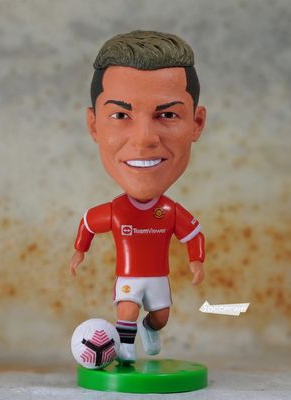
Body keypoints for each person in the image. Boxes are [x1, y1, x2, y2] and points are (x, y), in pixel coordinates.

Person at [69, 30, 207, 363]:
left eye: (168, 115)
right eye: (120, 115)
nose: (144, 139)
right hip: (129, 277)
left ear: (197, 123)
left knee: (161, 317)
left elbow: (193, 234)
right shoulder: (115, 210)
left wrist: (197, 260)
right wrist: (79, 251)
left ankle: (149, 329)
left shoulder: (170, 211)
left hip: (158, 278)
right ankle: (126, 350)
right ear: (94, 125)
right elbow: (88, 223)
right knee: (126, 309)